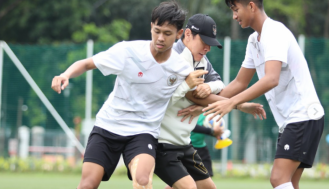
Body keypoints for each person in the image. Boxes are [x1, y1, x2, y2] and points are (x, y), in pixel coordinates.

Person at [51, 1, 207, 189]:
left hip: (143, 133)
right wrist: (65, 74)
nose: (160, 38)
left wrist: (236, 103)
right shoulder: (128, 52)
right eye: (157, 31)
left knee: (142, 181)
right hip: (108, 126)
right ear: (151, 27)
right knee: (87, 184)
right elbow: (86, 64)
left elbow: (198, 96)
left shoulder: (181, 68)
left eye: (167, 33)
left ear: (179, 34)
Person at [202, 1, 325, 189]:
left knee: (278, 178)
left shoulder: (274, 32)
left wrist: (231, 103)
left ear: (251, 6)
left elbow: (271, 79)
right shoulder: (253, 41)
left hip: (303, 116)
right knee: (290, 182)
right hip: (292, 120)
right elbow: (239, 83)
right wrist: (205, 101)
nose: (234, 16)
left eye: (236, 10)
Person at [154, 14, 266, 189]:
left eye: (210, 44)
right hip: (162, 141)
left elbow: (218, 85)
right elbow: (193, 95)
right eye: (204, 42)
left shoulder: (201, 61)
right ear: (188, 34)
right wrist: (241, 105)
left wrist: (209, 87)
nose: (208, 48)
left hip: (183, 142)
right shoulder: (174, 58)